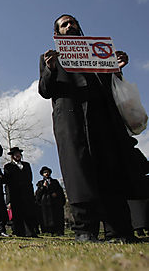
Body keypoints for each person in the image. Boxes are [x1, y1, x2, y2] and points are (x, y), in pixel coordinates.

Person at [38, 14, 149, 243]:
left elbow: (111, 85)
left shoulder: (97, 52)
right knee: (79, 173)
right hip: (73, 119)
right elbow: (45, 90)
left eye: (72, 23)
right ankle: (85, 230)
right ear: (57, 33)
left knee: (111, 170)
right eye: (64, 25)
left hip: (103, 118)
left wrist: (116, 69)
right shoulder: (50, 58)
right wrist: (51, 69)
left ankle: (119, 229)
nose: (70, 26)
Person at [2, 147, 38, 237]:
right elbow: (7, 183)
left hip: (27, 193)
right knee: (17, 214)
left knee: (29, 213)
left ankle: (31, 232)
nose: (17, 155)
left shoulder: (26, 165)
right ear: (12, 156)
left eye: (18, 153)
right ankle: (19, 232)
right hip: (15, 194)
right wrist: (8, 200)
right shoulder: (8, 167)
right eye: (15, 154)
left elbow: (30, 180)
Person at [35, 166, 65, 236]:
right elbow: (38, 194)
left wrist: (56, 194)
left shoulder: (55, 182)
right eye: (45, 172)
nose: (46, 174)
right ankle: (47, 231)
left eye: (47, 172)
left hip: (54, 203)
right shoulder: (40, 183)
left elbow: (60, 191)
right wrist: (43, 187)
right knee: (46, 218)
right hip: (45, 203)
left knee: (56, 217)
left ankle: (58, 231)